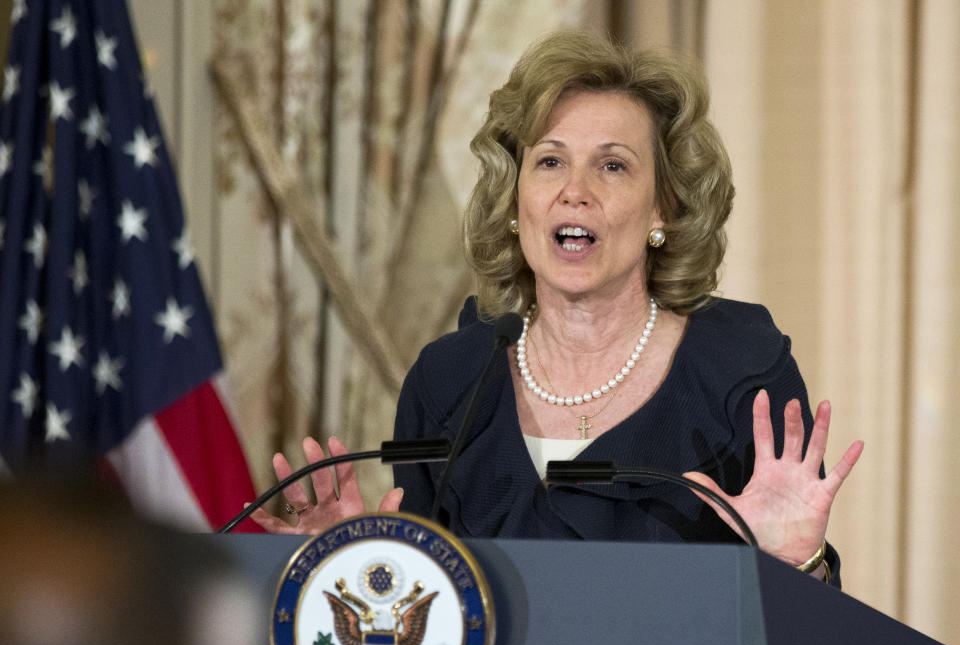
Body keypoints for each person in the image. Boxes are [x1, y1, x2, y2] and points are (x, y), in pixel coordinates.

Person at [251, 30, 863, 585]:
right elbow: (430, 623)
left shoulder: (741, 375)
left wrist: (794, 567)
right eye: (549, 161)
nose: (576, 190)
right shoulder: (450, 383)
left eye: (613, 165)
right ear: (516, 202)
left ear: (663, 210)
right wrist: (350, 571)